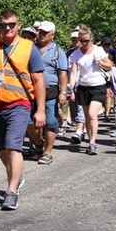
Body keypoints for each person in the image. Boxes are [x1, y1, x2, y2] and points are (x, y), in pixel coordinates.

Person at [0, 8, 46, 210]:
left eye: (11, 25)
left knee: (13, 146)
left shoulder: (29, 48)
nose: (7, 28)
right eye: (3, 25)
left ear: (18, 25)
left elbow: (39, 81)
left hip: (20, 104)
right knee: (3, 150)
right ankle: (16, 176)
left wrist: (40, 110)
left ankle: (11, 191)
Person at [27, 21, 68, 164]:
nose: (42, 34)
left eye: (46, 32)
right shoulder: (31, 48)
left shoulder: (58, 51)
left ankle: (47, 152)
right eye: (41, 32)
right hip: (31, 91)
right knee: (29, 122)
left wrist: (63, 92)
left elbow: (62, 73)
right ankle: (38, 144)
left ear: (53, 35)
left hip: (50, 91)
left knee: (50, 122)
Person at [69, 25, 113, 155]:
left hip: (98, 86)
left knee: (93, 114)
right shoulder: (75, 54)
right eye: (82, 41)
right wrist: (71, 89)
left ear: (91, 39)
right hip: (83, 87)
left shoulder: (98, 50)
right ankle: (90, 141)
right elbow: (73, 73)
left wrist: (100, 62)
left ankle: (93, 143)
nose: (84, 43)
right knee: (88, 117)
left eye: (87, 41)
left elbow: (110, 66)